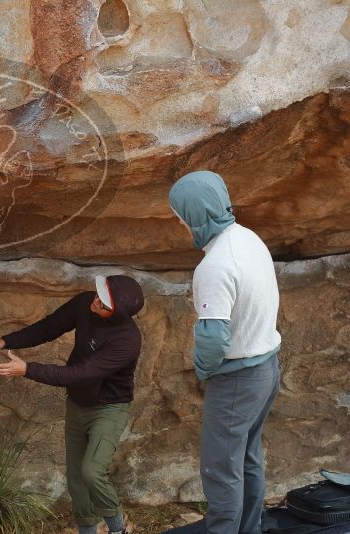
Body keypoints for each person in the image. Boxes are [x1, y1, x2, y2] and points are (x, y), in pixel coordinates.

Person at [0, 274, 144, 534]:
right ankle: (87, 530)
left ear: (117, 313)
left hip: (108, 408)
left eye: (104, 303)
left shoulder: (127, 341)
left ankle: (117, 527)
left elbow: (79, 373)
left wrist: (27, 369)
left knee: (92, 471)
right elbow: (48, 328)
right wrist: (5, 341)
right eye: (99, 294)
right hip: (77, 403)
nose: (95, 301)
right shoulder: (86, 303)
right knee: (76, 480)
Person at [169, 170, 281, 534]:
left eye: (180, 216)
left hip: (237, 379)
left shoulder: (214, 265)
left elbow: (214, 338)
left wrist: (203, 370)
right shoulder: (248, 238)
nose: (181, 223)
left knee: (220, 471)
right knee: (247, 460)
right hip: (266, 368)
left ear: (192, 215)